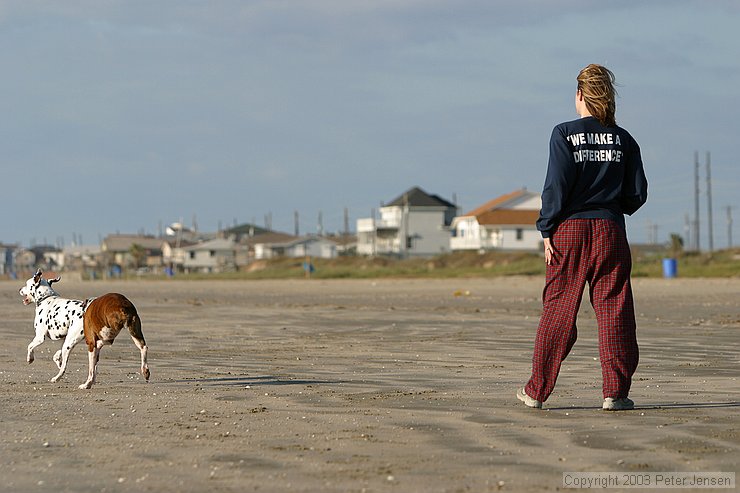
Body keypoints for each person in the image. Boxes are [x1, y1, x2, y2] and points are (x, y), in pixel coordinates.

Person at [517, 64, 648, 411]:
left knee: (559, 309)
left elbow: (555, 188)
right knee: (614, 310)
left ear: (579, 95)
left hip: (569, 231)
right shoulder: (624, 139)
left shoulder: (563, 133)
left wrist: (546, 228)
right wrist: (609, 205)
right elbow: (637, 194)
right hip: (610, 230)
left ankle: (536, 391)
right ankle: (615, 393)